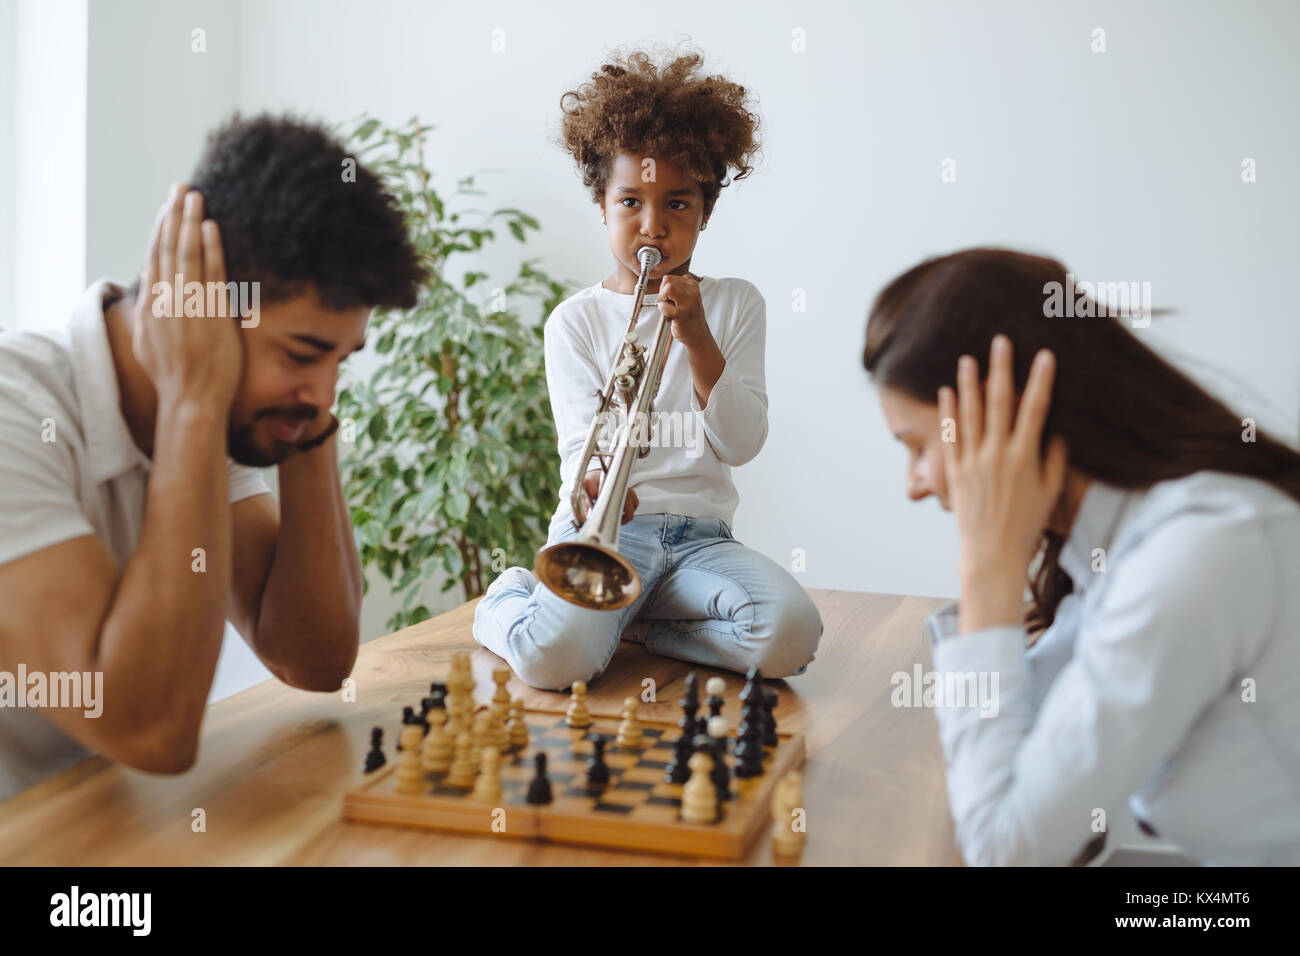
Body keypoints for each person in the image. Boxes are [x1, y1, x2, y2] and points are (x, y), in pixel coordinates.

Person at [0, 114, 425, 798]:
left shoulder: (223, 419)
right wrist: (193, 403)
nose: (323, 394)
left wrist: (304, 425)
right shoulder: (15, 414)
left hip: (94, 833)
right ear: (194, 305)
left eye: (340, 360)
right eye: (300, 353)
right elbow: (152, 731)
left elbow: (312, 659)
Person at [863, 247, 1300, 865]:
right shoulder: (1117, 546)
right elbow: (1030, 752)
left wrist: (989, 566)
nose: (913, 483)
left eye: (916, 446)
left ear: (1007, 415)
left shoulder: (1199, 552)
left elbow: (1003, 850)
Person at [473, 48, 822, 690]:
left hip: (701, 540)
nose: (652, 226)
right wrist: (596, 490)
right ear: (601, 205)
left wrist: (694, 334)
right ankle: (504, 600)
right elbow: (583, 446)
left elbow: (741, 444)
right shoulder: (572, 322)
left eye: (678, 205)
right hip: (608, 533)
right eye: (630, 200)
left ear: (706, 212)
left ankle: (629, 620)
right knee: (554, 665)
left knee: (790, 636)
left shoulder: (735, 302)